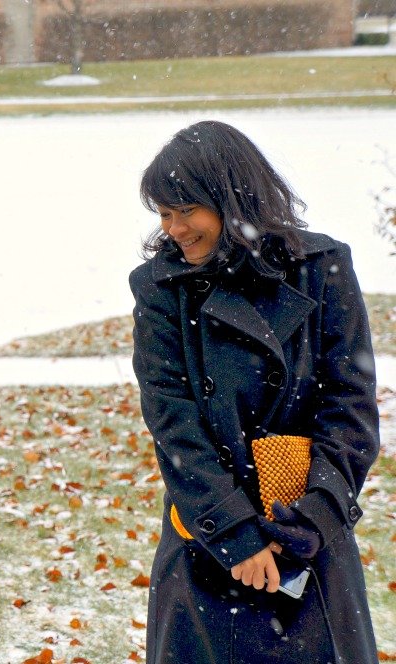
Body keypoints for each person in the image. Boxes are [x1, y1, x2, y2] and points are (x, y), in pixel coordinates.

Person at [129, 120, 380, 663]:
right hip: (208, 541)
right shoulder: (161, 289)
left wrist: (314, 516)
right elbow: (173, 423)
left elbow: (351, 407)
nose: (174, 229)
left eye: (186, 210)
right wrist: (236, 534)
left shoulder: (322, 269)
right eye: (164, 214)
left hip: (308, 544)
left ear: (231, 199)